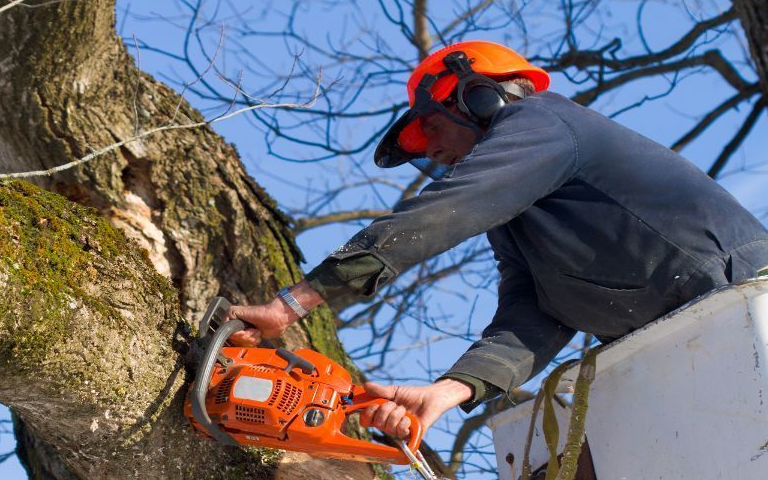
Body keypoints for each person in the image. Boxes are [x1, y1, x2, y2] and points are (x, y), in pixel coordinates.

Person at [227, 40, 768, 440]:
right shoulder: (518, 217)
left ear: (478, 98)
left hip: (743, 300)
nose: (431, 153)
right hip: (686, 346)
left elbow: (446, 211)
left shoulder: (546, 123)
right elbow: (534, 313)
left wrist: (292, 303)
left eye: (432, 128)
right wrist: (448, 390)